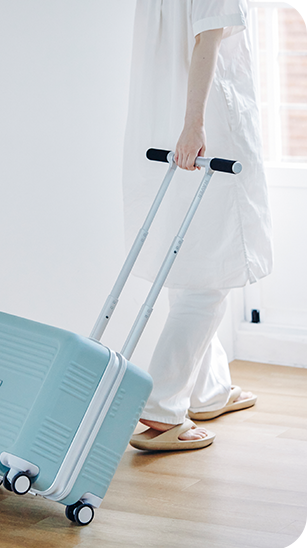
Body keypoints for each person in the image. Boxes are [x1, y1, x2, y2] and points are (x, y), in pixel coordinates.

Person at [125, 0, 273, 451]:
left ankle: (208, 391)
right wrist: (195, 125)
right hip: (206, 129)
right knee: (212, 271)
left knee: (190, 259)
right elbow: (207, 40)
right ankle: (163, 406)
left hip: (161, 125)